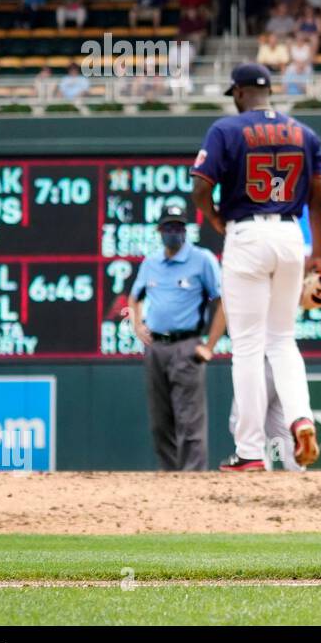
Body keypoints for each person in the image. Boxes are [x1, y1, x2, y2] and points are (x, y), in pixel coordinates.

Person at [190, 63, 321, 472]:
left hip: (247, 234)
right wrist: (316, 255)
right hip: (290, 235)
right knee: (283, 341)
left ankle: (250, 452)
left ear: (238, 93)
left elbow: (199, 188)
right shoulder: (305, 133)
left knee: (248, 347)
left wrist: (214, 217)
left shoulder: (225, 130)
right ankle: (301, 417)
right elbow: (319, 202)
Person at [129, 200, 225, 471]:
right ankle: (170, 481)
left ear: (186, 230)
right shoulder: (151, 263)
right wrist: (137, 326)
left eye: (179, 226)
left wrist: (210, 345)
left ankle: (192, 483)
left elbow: (222, 303)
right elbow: (134, 297)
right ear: (160, 230)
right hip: (156, 346)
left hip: (186, 345)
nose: (174, 231)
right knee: (161, 422)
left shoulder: (202, 259)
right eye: (169, 226)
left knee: (189, 421)